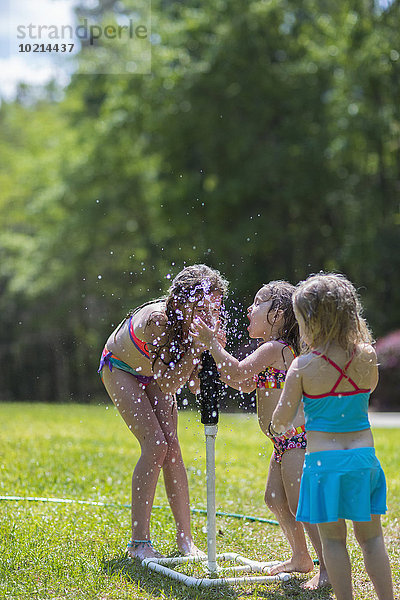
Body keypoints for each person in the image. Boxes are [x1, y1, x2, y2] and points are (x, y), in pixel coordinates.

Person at [191, 281, 328, 588]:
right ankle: (301, 558)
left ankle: (328, 568)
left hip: (295, 440)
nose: (250, 309)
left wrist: (213, 344)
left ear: (278, 314)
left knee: (300, 505)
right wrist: (216, 352)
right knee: (275, 499)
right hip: (283, 442)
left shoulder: (275, 349)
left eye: (258, 303)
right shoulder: (275, 351)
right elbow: (243, 382)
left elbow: (239, 372)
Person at [271, 273, 394, 600]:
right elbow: (368, 389)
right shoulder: (367, 355)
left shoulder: (301, 367)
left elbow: (282, 419)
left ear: (311, 321)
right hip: (362, 461)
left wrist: (278, 425)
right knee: (372, 540)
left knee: (334, 542)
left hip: (323, 464)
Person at [98, 264, 229, 560]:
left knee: (172, 449)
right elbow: (169, 382)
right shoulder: (161, 321)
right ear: (182, 301)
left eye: (214, 308)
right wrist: (197, 350)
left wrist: (209, 357)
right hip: (122, 367)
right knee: (155, 445)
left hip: (155, 372)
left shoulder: (198, 324)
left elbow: (190, 381)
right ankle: (139, 543)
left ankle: (186, 540)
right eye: (202, 307)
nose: (209, 316)